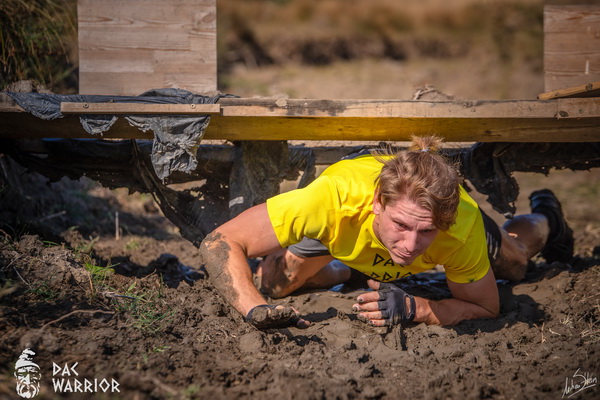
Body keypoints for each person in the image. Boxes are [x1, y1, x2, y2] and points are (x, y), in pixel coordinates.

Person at [199, 136, 573, 329]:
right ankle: (350, 269)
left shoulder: (461, 225)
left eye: (426, 231)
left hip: (449, 226)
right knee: (274, 284)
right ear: (378, 202)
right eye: (402, 225)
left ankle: (548, 216)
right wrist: (256, 310)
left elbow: (486, 308)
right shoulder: (330, 202)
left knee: (517, 263)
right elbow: (221, 241)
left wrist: (419, 308)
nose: (410, 245)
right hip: (345, 226)